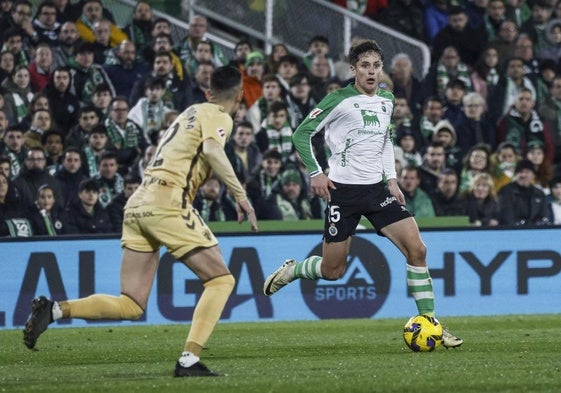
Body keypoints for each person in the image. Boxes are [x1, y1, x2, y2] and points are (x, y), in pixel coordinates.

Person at [23, 65, 258, 378]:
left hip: (138, 203)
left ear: (207, 91)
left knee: (131, 304)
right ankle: (189, 361)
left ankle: (55, 309)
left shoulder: (189, 111)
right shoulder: (219, 115)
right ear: (239, 96)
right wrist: (240, 196)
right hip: (168, 201)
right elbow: (213, 149)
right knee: (221, 280)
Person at [262, 40, 462, 348]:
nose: (371, 72)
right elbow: (302, 133)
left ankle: (431, 323)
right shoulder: (338, 98)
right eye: (365, 66)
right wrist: (316, 173)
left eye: (376, 66)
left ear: (382, 69)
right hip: (342, 193)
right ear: (354, 69)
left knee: (417, 250)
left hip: (377, 191)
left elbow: (385, 140)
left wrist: (392, 180)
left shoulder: (387, 99)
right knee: (333, 271)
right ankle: (294, 270)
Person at [498, 158, 550, 225]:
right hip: (513, 231)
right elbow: (507, 216)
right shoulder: (506, 191)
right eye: (520, 172)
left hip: (535, 231)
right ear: (516, 174)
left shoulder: (539, 194)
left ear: (533, 175)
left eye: (527, 172)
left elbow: (544, 215)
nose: (523, 175)